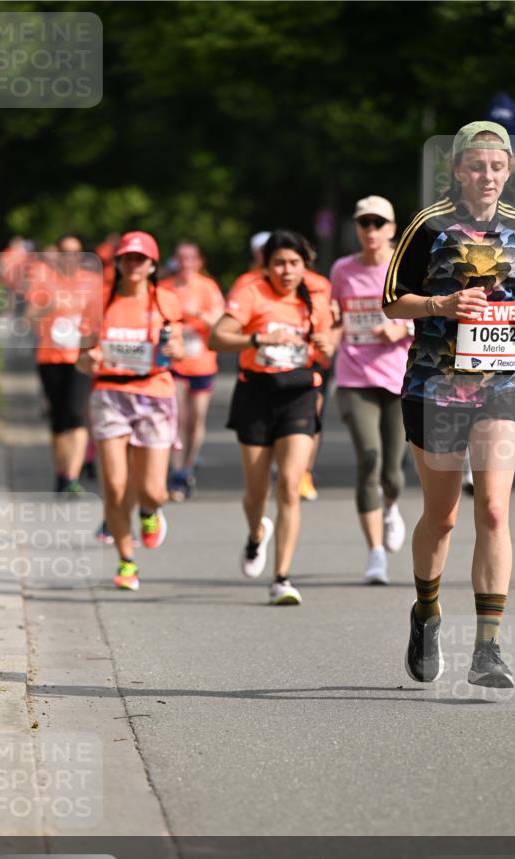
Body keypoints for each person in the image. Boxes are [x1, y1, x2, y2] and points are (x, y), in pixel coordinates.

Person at [383, 121, 515, 689]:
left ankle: (488, 648)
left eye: (497, 166)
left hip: (503, 382)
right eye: (476, 166)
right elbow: (391, 301)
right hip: (435, 386)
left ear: (509, 170)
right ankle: (426, 612)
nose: (487, 176)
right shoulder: (429, 224)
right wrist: (442, 304)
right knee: (444, 515)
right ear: (456, 170)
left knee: (495, 510)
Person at [209, 230, 335, 605]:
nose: (286, 271)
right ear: (266, 266)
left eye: (294, 263)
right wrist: (258, 340)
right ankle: (255, 535)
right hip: (256, 394)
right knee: (256, 492)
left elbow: (327, 346)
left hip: (300, 394)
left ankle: (282, 578)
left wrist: (327, 345)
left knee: (290, 486)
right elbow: (217, 338)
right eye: (278, 263)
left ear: (304, 265)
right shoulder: (251, 292)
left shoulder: (317, 294)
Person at [77, 231, 184, 591]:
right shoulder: (100, 302)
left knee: (153, 490)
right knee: (114, 484)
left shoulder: (165, 301)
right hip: (110, 394)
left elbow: (178, 349)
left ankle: (150, 511)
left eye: (141, 259)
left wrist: (175, 350)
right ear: (119, 262)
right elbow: (80, 357)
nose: (133, 264)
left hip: (155, 393)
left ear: (153, 265)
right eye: (127, 258)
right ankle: (126, 561)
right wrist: (89, 360)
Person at [330, 195, 412, 585]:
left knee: (393, 473)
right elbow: (333, 317)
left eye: (379, 223)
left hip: (397, 379)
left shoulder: (406, 266)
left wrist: (402, 328)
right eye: (365, 223)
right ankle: (375, 553)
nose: (371, 230)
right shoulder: (342, 270)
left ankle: (391, 507)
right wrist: (326, 335)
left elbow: (431, 312)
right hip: (354, 378)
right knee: (369, 457)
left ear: (392, 229)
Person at [27, 234, 102, 494]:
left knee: (76, 413)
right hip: (49, 357)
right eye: (65, 252)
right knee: (58, 419)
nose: (70, 257)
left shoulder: (92, 282)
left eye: (75, 252)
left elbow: (101, 319)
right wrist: (48, 307)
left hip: (80, 358)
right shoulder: (43, 279)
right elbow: (29, 317)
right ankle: (61, 473)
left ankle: (72, 475)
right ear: (57, 255)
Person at [160, 242, 225, 500]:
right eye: (181, 258)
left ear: (199, 262)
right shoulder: (165, 287)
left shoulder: (207, 287)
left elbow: (218, 320)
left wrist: (194, 313)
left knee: (196, 419)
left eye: (190, 258)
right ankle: (176, 472)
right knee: (178, 417)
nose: (186, 263)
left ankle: (188, 466)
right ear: (175, 261)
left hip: (202, 362)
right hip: (174, 363)